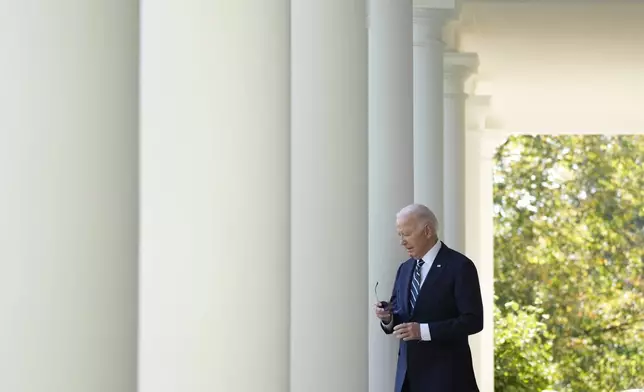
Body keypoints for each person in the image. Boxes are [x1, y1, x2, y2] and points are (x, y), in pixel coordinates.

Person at [373, 203, 484, 392]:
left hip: (448, 380)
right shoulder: (405, 268)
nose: (402, 241)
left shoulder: (460, 266)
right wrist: (388, 318)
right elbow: (401, 314)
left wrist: (423, 331)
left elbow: (473, 321)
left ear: (427, 231)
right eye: (400, 235)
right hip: (407, 381)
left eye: (406, 234)